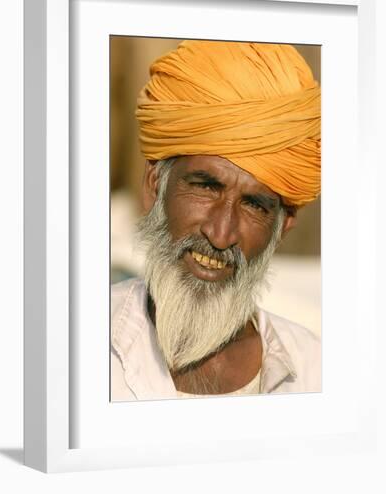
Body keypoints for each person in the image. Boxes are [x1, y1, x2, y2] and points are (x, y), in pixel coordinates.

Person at [110, 40, 321, 401]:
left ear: (283, 226)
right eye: (206, 187)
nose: (221, 234)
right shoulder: (68, 340)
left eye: (254, 205)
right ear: (155, 184)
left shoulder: (316, 371)